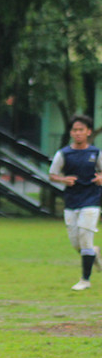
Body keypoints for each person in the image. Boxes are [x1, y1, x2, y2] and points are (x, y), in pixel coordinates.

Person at [48, 114, 102, 291]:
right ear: (71, 132)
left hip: (92, 200)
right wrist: (63, 180)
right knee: (76, 243)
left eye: (81, 130)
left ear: (88, 132)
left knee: (85, 237)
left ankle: (85, 280)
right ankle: (94, 253)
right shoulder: (64, 154)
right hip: (71, 201)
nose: (78, 133)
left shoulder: (95, 153)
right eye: (74, 130)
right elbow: (52, 175)